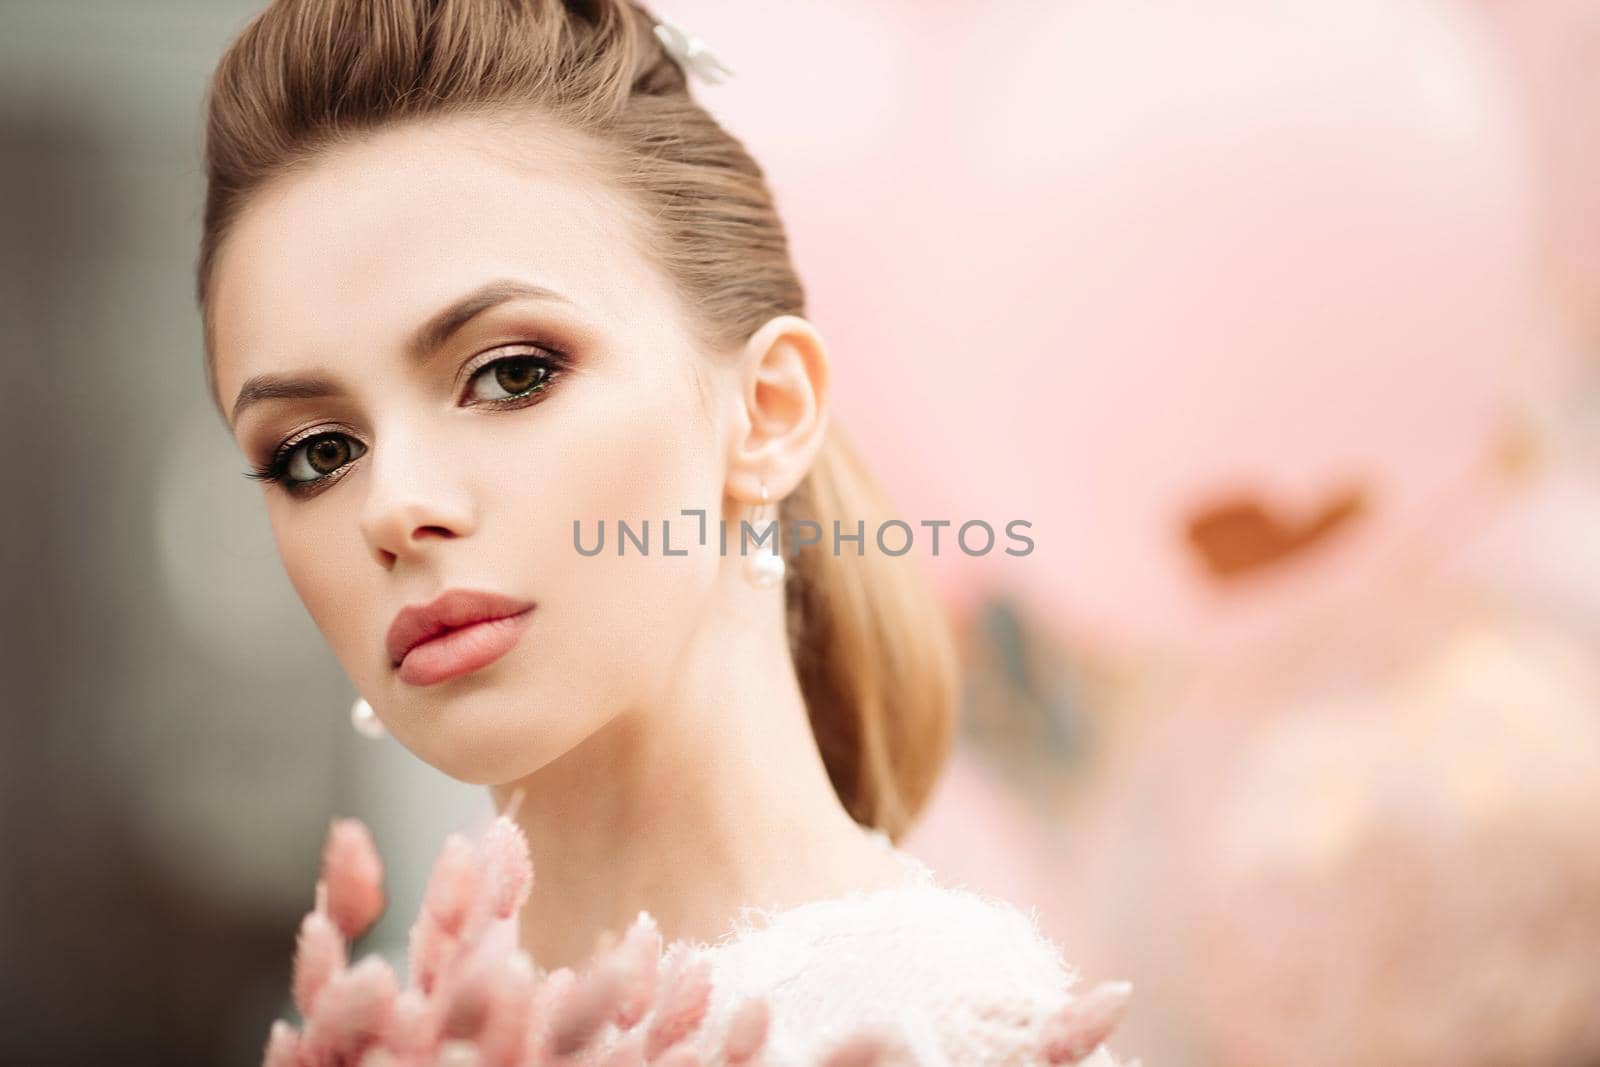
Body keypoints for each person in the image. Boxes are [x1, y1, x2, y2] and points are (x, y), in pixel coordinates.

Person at [196, 1, 1130, 1062]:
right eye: (316, 452)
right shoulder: (405, 1027)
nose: (392, 506)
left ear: (767, 411)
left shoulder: (943, 1034)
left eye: (511, 373)